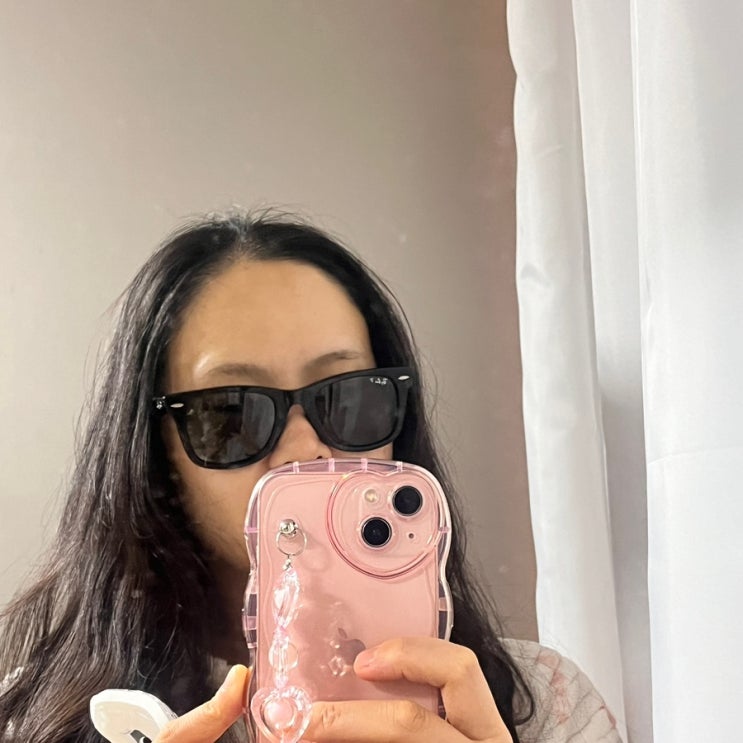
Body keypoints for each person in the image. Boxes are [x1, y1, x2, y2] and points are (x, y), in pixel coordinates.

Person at [0, 211, 621, 743]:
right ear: (153, 452)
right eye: (232, 412)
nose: (305, 451)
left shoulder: (547, 705)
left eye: (349, 396)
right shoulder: (32, 718)